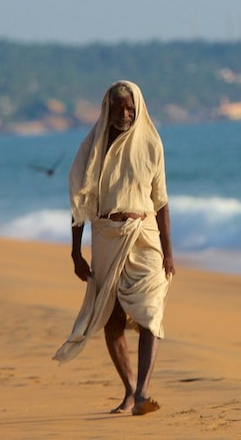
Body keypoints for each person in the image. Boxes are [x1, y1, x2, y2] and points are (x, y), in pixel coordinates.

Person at [53, 80, 175, 416]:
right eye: (119, 107)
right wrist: (75, 252)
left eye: (130, 108)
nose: (125, 114)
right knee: (113, 319)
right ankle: (128, 390)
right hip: (106, 236)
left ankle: (142, 394)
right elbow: (79, 201)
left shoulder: (150, 142)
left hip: (145, 235)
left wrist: (168, 249)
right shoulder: (92, 145)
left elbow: (161, 201)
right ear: (107, 108)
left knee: (151, 314)